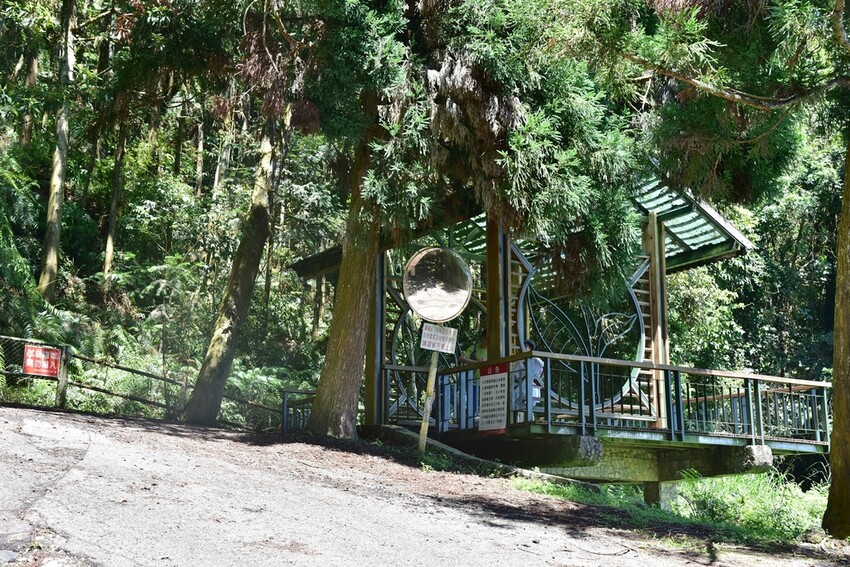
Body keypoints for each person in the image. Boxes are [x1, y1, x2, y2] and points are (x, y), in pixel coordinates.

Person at [511, 339, 544, 415]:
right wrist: (520, 380)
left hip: (533, 388)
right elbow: (514, 374)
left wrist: (540, 379)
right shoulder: (520, 360)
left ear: (530, 348)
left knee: (530, 409)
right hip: (522, 389)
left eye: (525, 347)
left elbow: (545, 367)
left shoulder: (536, 359)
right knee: (520, 408)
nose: (524, 348)